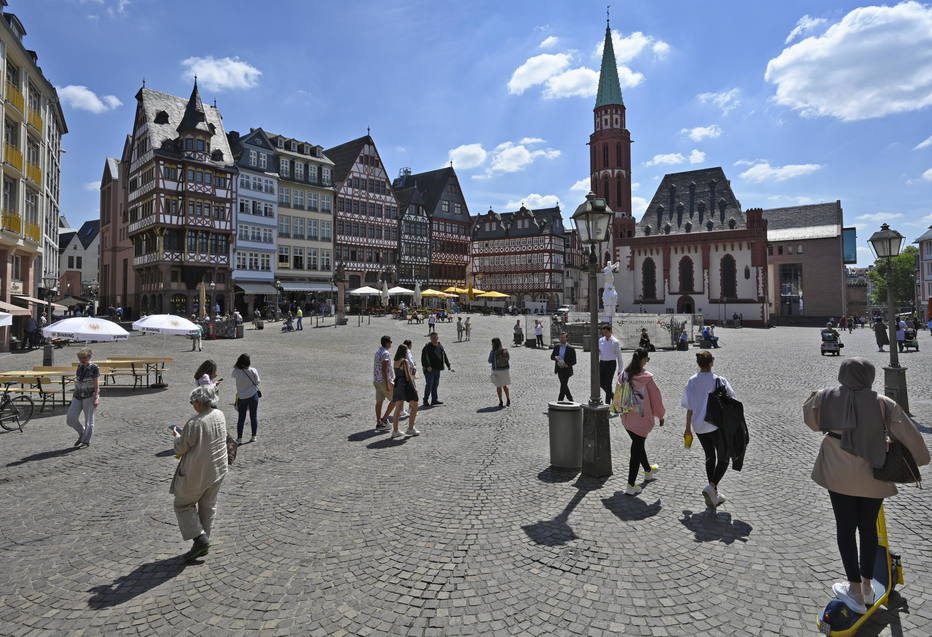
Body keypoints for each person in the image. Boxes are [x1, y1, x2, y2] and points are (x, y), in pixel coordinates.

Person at [804, 358, 929, 614]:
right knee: (868, 528)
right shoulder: (884, 403)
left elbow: (813, 422)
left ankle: (854, 589)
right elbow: (909, 436)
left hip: (837, 472)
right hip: (873, 473)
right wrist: (921, 460)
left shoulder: (825, 397)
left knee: (845, 527)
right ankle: (868, 585)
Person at [170, 386, 228, 562]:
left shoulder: (195, 423)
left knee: (182, 504)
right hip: (218, 468)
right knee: (207, 506)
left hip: (198, 472)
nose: (192, 405)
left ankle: (200, 539)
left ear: (197, 402)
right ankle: (202, 542)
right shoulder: (219, 414)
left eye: (192, 402)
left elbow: (181, 447)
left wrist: (177, 436)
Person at [682, 351, 737, 510]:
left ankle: (714, 493)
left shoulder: (691, 381)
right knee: (724, 457)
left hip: (698, 426)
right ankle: (712, 486)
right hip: (715, 425)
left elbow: (689, 408)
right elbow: (732, 399)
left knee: (709, 456)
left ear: (699, 363)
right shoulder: (719, 381)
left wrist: (687, 429)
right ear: (712, 362)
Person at [620, 348, 665, 496]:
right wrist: (661, 415)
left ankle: (647, 470)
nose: (648, 361)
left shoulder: (624, 374)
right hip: (641, 418)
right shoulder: (646, 378)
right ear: (642, 360)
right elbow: (656, 398)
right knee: (636, 449)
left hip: (626, 418)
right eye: (647, 358)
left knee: (638, 445)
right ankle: (631, 484)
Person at [67, 348, 100, 448]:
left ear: (89, 357)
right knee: (70, 418)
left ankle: (86, 440)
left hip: (89, 395)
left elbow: (97, 384)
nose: (82, 359)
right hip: (77, 395)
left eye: (84, 357)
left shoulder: (94, 367)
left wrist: (96, 397)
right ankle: (82, 432)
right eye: (80, 358)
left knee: (89, 419)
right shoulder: (79, 366)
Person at [389, 344, 420, 439]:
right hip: (405, 385)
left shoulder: (395, 361)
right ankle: (411, 428)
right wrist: (414, 387)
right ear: (404, 352)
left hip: (397, 385)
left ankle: (395, 430)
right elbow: (408, 376)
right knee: (415, 405)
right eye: (406, 351)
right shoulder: (404, 361)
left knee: (398, 407)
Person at [231, 353, 261, 444]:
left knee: (241, 418)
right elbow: (258, 382)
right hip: (253, 395)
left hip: (242, 397)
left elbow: (233, 375)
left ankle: (239, 438)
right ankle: (253, 436)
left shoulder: (236, 371)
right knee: (253, 416)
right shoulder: (253, 370)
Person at [421, 332, 453, 407]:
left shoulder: (440, 346)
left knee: (435, 385)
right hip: (429, 370)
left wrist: (448, 365)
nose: (434, 339)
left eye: (435, 337)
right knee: (429, 385)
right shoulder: (427, 347)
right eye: (433, 338)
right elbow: (423, 358)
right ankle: (425, 400)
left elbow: (444, 355)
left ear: (438, 337)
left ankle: (434, 400)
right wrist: (427, 366)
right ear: (430, 338)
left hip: (437, 369)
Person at [373, 335, 395, 431]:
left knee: (379, 402)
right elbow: (384, 370)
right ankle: (384, 419)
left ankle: (379, 422)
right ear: (387, 343)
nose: (391, 343)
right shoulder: (385, 353)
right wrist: (387, 384)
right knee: (395, 400)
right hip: (384, 381)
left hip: (377, 380)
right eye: (390, 342)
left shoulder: (378, 352)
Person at [598, 323, 624, 405]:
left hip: (611, 364)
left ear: (610, 331)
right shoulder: (600, 340)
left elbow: (619, 357)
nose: (604, 334)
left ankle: (607, 404)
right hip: (602, 363)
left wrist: (620, 370)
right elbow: (599, 352)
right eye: (603, 332)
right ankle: (613, 397)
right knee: (600, 383)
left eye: (606, 332)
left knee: (608, 384)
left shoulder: (615, 342)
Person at [550, 331, 576, 402]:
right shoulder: (557, 347)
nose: (561, 339)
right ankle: (568, 399)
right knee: (563, 384)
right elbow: (552, 357)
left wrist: (566, 365)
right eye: (560, 338)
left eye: (563, 337)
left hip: (567, 369)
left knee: (563, 384)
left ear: (566, 338)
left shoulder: (571, 348)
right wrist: (557, 359)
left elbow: (574, 361)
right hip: (559, 369)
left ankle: (563, 399)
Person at [488, 337, 511, 407]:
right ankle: (508, 399)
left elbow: (489, 361)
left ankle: (500, 401)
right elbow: (508, 358)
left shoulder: (493, 352)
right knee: (505, 386)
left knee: (498, 387)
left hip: (497, 370)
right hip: (505, 370)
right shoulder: (505, 350)